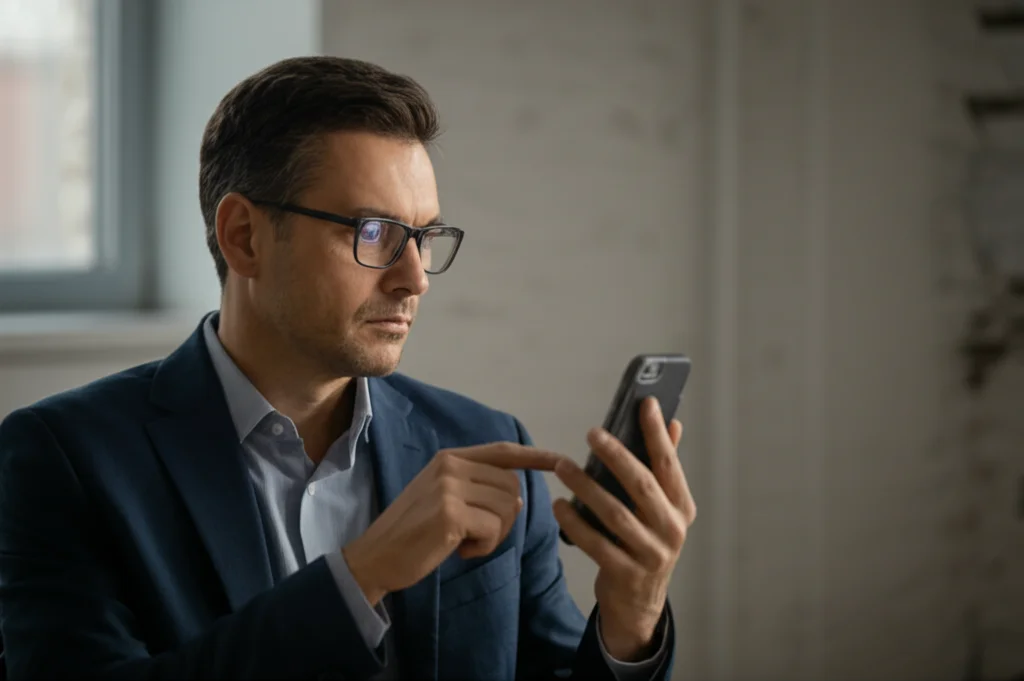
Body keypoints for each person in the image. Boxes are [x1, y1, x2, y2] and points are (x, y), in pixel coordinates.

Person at [0, 56, 696, 680]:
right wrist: (359, 577)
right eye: (374, 232)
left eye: (424, 236)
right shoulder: (63, 458)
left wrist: (631, 624)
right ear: (243, 236)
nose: (415, 278)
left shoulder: (486, 445)